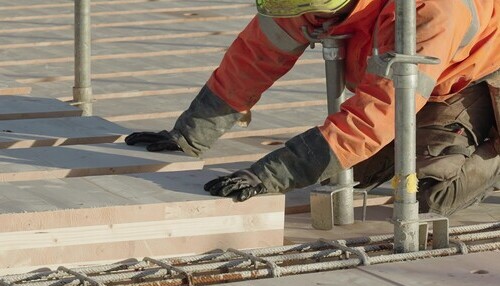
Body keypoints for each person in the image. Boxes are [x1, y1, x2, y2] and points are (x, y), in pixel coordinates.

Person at [125, 0, 500, 216]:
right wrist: (190, 134)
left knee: (432, 194)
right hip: (412, 87)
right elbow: (256, 56)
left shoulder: (426, 11)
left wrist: (271, 175)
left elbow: (378, 116)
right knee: (347, 175)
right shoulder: (309, 1)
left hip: (477, 81)